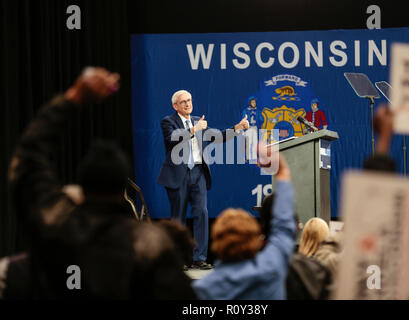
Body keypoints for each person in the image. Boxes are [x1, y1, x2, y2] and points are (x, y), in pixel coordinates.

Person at [6, 67, 196, 299]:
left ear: (82, 187)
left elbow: (28, 159)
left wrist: (74, 97)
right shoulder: (147, 245)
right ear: (122, 189)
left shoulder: (55, 225)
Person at [157, 90, 249, 270]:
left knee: (202, 213)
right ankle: (180, 259)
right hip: (179, 174)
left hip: (198, 173)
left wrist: (237, 127)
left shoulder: (197, 120)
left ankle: (199, 257)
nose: (187, 104)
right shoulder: (168, 121)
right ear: (175, 106)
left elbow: (217, 137)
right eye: (183, 102)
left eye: (189, 100)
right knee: (179, 217)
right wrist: (193, 130)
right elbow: (172, 139)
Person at [192, 144, 296, 299]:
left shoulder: (202, 290)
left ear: (217, 243)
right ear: (255, 239)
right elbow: (284, 227)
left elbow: (284, 229)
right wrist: (282, 172)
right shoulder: (272, 266)